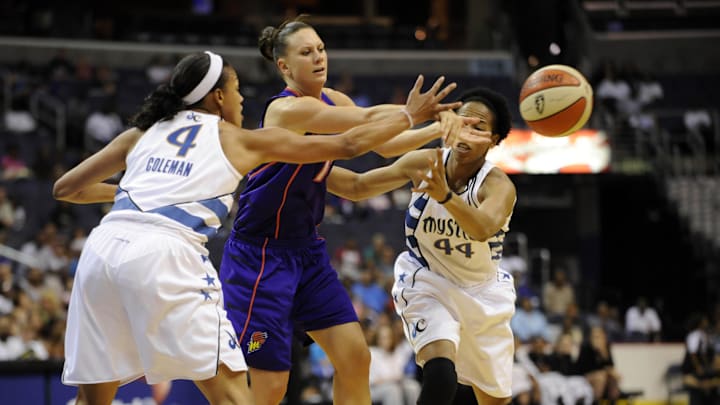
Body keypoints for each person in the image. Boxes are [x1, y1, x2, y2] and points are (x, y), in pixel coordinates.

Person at [52, 50, 456, 405]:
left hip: (102, 249)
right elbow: (348, 145)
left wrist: (142, 192)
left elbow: (67, 188)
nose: (244, 98)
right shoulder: (240, 139)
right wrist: (408, 114)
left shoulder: (140, 133)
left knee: (93, 398)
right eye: (238, 89)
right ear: (218, 97)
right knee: (234, 395)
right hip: (170, 253)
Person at [219, 15, 469, 405]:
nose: (319, 57)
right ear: (284, 67)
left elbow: (384, 144)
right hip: (261, 257)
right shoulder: (286, 112)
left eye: (321, 48)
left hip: (306, 253)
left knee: (354, 356)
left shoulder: (333, 99)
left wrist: (442, 129)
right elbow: (361, 131)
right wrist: (421, 113)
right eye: (306, 52)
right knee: (270, 388)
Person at [327, 86, 516, 404]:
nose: (465, 130)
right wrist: (299, 165)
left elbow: (482, 228)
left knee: (494, 400)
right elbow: (359, 186)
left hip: (483, 293)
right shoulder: (426, 161)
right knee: (441, 374)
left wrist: (445, 195)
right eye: (461, 121)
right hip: (428, 280)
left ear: (494, 140)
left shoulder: (498, 186)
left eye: (478, 127)